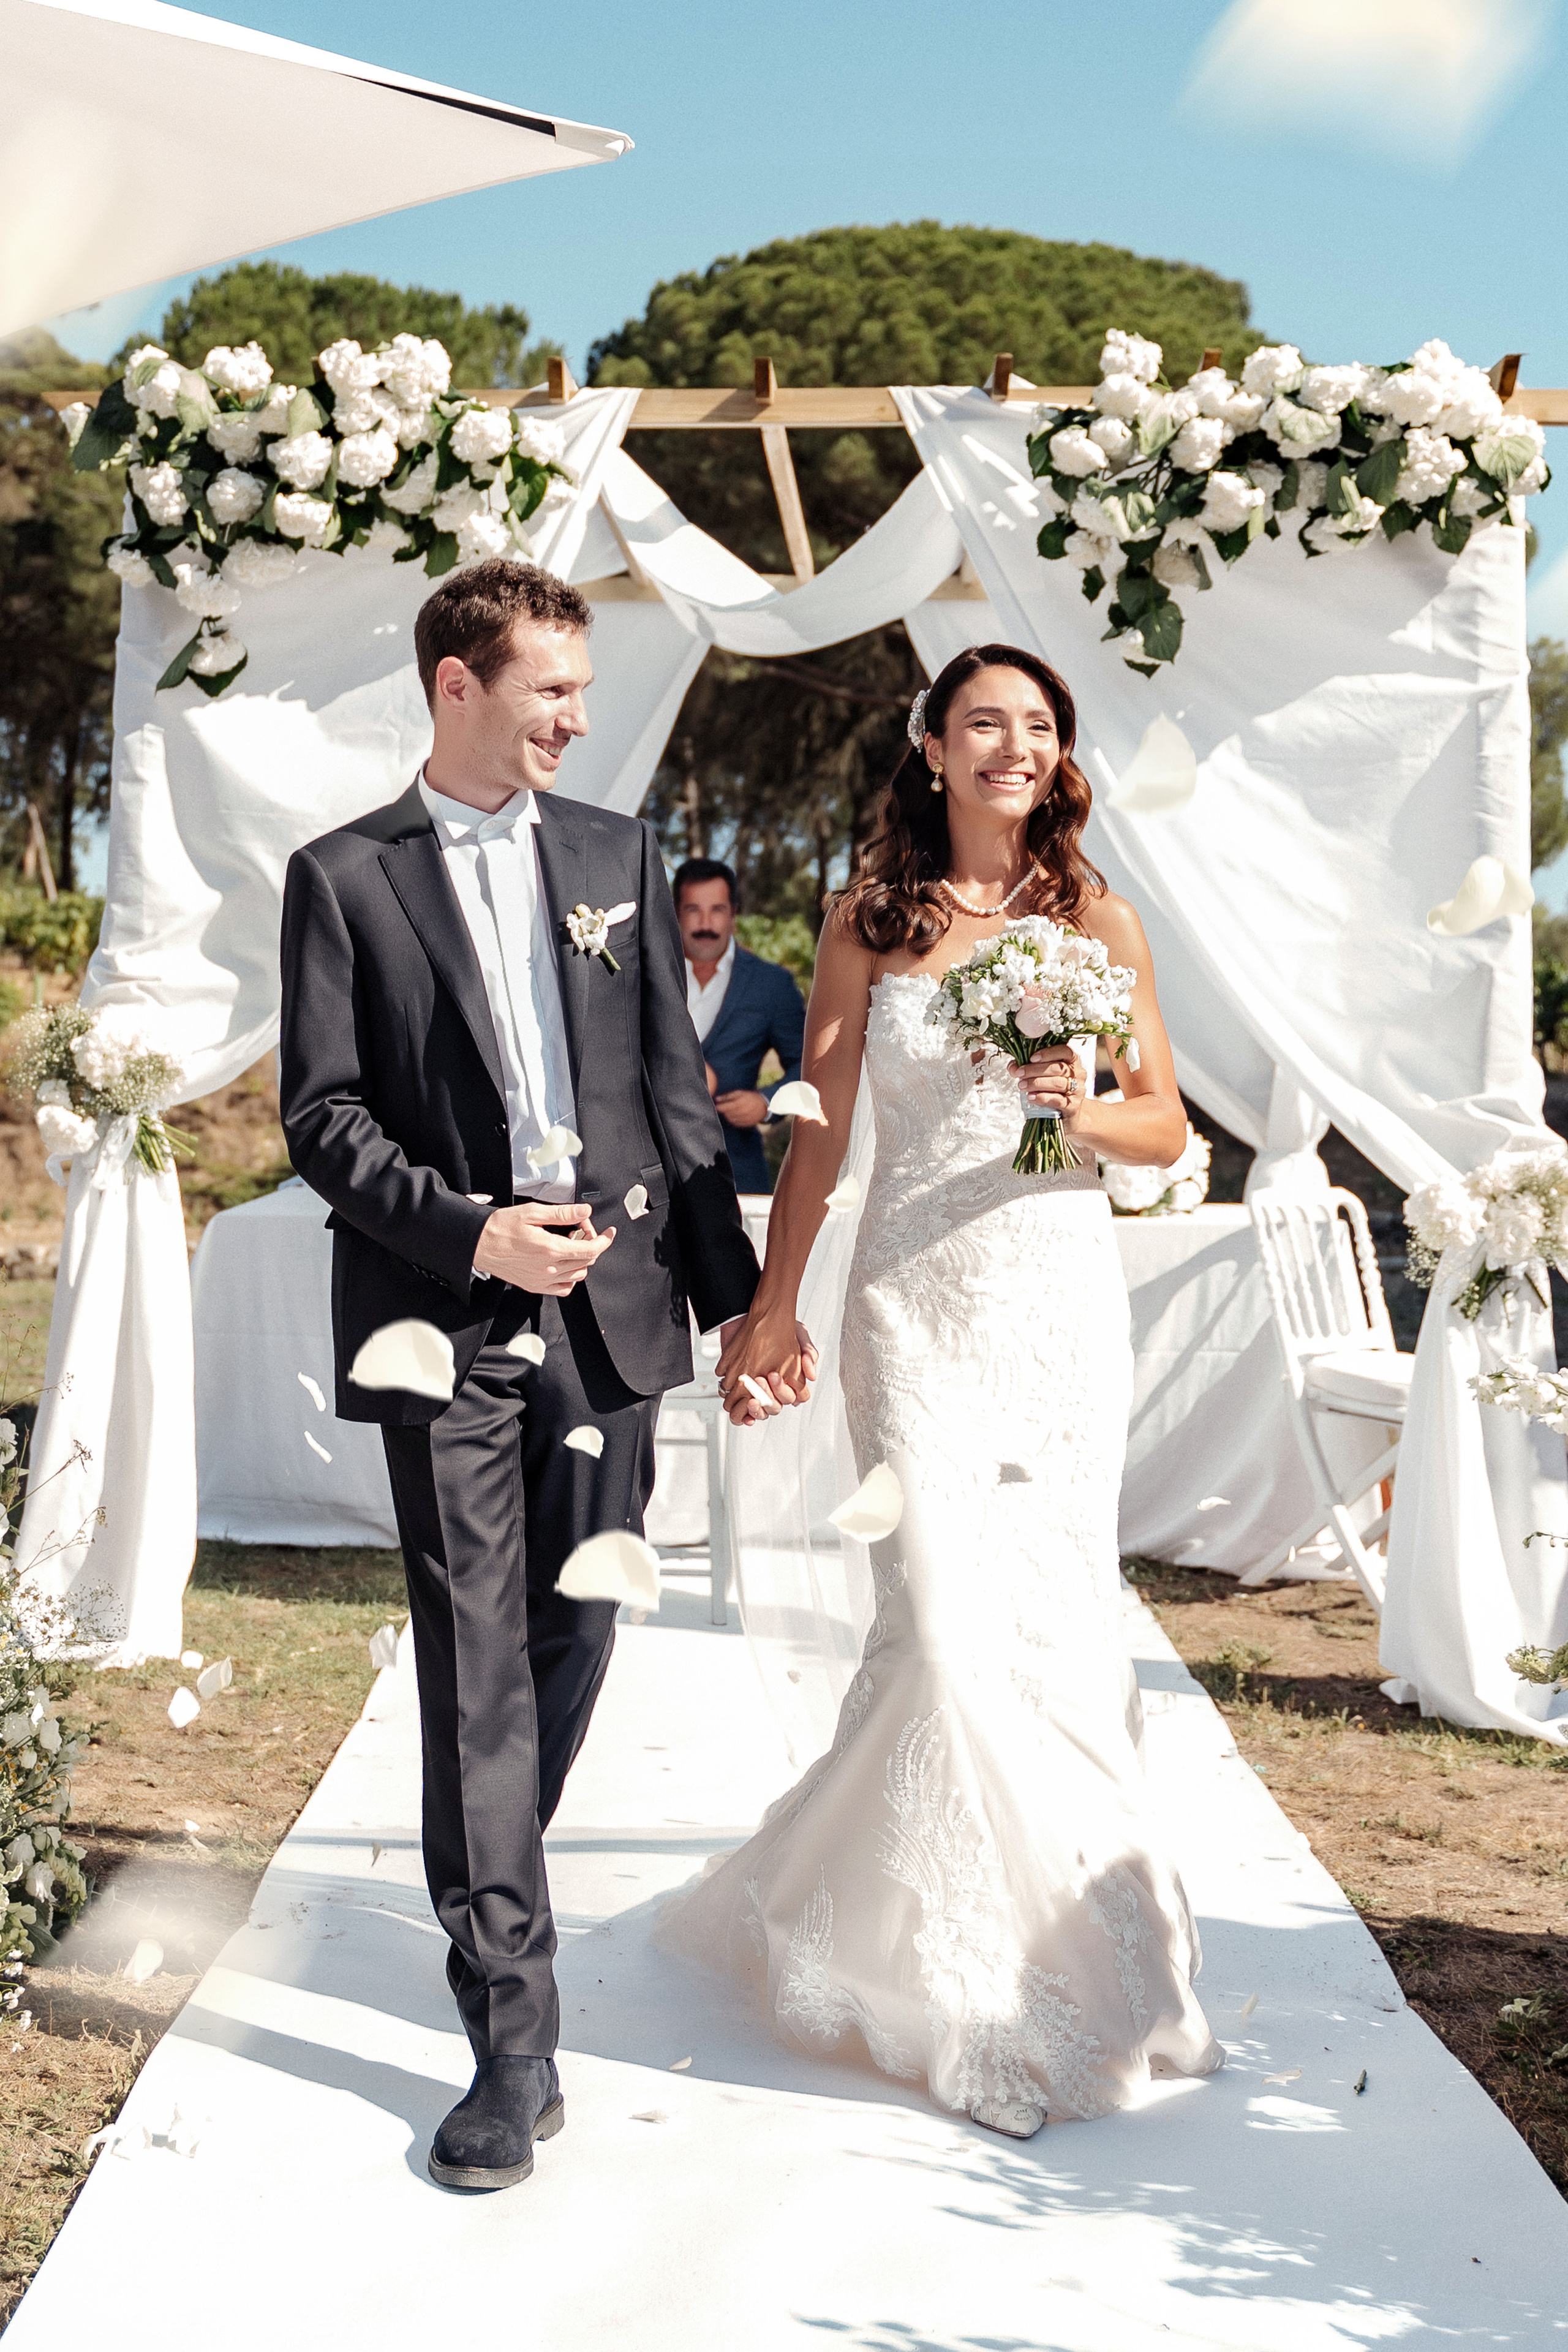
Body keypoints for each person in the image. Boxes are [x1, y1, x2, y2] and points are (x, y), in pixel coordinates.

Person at [668, 643, 1223, 2136]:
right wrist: (774, 1307)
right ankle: (956, 1982)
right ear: (929, 744)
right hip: (909, 1305)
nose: (1013, 745)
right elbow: (816, 1132)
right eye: (984, 720)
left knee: (1042, 1627)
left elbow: (1165, 1122)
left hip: (1051, 1299)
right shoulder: (869, 917)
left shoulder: (1090, 912)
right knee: (938, 1623)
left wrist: (1079, 1104)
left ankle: (1053, 1959)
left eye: (1036, 725)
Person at [277, 559, 777, 2193]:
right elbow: (325, 1117)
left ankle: (491, 1862)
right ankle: (512, 2033)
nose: (576, 716)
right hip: (447, 1322)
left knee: (579, 1628)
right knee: (473, 1668)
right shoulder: (343, 879)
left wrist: (744, 1309)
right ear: (455, 688)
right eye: (550, 690)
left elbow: (678, 1106)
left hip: (614, 1314)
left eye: (579, 688)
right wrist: (475, 1234)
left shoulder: (618, 856)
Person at [673, 856, 806, 1194]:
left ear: (733, 914)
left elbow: (808, 1064)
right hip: (652, 1173)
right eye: (693, 910)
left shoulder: (771, 984)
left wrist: (767, 1103)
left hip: (736, 1174)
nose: (706, 924)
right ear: (675, 914)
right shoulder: (646, 977)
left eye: (717, 910)